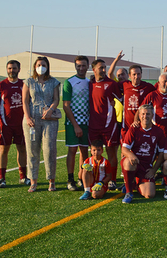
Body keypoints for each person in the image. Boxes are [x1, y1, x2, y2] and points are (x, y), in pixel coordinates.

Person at [22, 56, 61, 192]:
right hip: (32, 119)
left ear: (47, 66)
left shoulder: (54, 82)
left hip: (49, 120)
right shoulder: (28, 82)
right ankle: (33, 181)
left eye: (43, 64)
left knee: (50, 149)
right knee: (32, 150)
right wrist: (27, 117)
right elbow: (25, 101)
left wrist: (50, 110)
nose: (41, 67)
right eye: (39, 64)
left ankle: (51, 180)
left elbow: (56, 99)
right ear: (34, 66)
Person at [0, 60, 28, 187]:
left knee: (22, 149)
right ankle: (2, 179)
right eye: (10, 68)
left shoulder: (24, 84)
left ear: (19, 69)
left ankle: (23, 177)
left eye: (14, 68)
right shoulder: (1, 85)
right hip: (5, 125)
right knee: (3, 149)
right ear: (7, 69)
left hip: (21, 124)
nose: (12, 70)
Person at [121, 104, 165, 203]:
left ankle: (134, 183)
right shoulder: (134, 129)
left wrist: (154, 170)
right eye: (143, 114)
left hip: (146, 167)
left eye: (148, 114)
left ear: (152, 115)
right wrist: (132, 155)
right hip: (134, 163)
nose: (145, 116)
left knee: (150, 194)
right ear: (139, 115)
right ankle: (129, 192)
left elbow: (161, 154)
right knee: (128, 162)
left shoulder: (158, 131)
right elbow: (124, 149)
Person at [88, 58, 121, 190]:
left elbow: (123, 99)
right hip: (93, 125)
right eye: (100, 68)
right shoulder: (89, 84)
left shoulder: (111, 84)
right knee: (94, 154)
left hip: (109, 125)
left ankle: (112, 179)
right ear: (94, 69)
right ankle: (93, 178)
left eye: (104, 67)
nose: (103, 70)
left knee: (111, 153)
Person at [62, 55, 90, 191]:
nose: (81, 68)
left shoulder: (89, 82)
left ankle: (82, 177)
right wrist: (76, 125)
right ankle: (70, 179)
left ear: (87, 66)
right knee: (72, 150)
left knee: (85, 151)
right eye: (78, 66)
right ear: (75, 67)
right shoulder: (69, 82)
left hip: (87, 122)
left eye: (83, 65)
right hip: (73, 123)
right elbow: (66, 106)